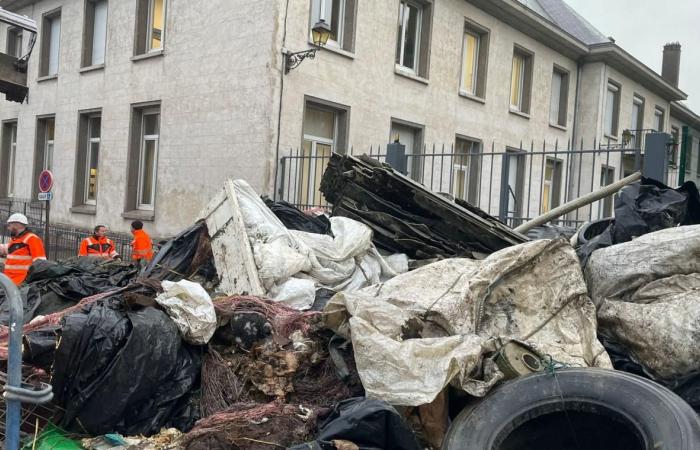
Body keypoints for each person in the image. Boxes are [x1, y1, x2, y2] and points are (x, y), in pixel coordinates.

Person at [0, 213, 47, 285]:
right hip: (10, 282)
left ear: (17, 225)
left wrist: (28, 283)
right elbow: (12, 251)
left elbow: (40, 263)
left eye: (9, 225)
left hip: (22, 283)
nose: (8, 228)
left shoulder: (32, 239)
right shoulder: (16, 239)